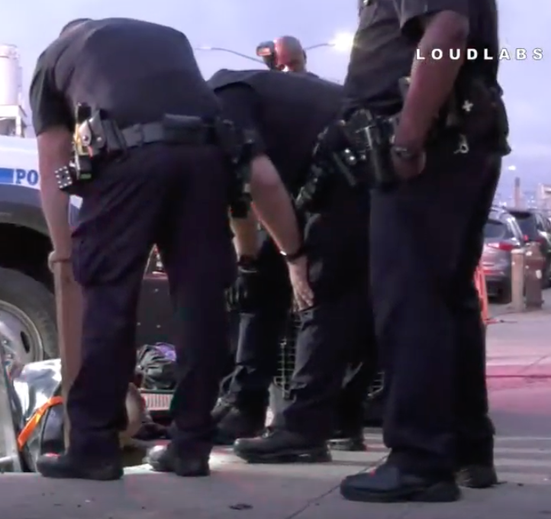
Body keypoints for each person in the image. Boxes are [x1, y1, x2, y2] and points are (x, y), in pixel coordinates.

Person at [30, 17, 309, 480]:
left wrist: (63, 248)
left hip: (128, 157)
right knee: (201, 303)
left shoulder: (54, 57)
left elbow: (53, 155)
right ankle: (191, 445)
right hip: (207, 157)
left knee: (109, 297)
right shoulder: (168, 38)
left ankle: (95, 445)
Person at [337, 0, 505, 502]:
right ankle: (465, 449)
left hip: (428, 144)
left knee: (409, 301)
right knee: (448, 301)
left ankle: (418, 459)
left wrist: (407, 139)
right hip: (459, 133)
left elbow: (448, 30)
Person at [202, 70, 377, 463]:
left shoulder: (220, 101)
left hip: (355, 170)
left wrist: (295, 259)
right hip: (323, 173)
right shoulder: (216, 111)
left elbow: (259, 179)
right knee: (261, 280)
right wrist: (248, 264)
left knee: (320, 287)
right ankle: (242, 406)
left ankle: (304, 428)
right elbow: (240, 197)